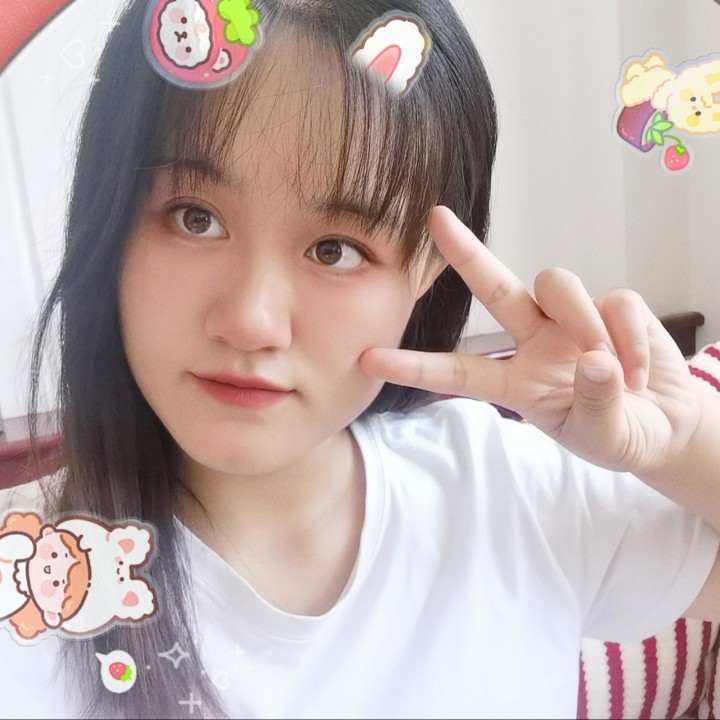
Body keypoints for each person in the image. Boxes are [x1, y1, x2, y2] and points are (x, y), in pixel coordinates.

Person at [1, 0, 720, 717]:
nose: (251, 321)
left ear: (426, 271)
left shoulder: (506, 487)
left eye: (334, 250)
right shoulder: (34, 577)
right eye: (196, 217)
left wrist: (683, 443)